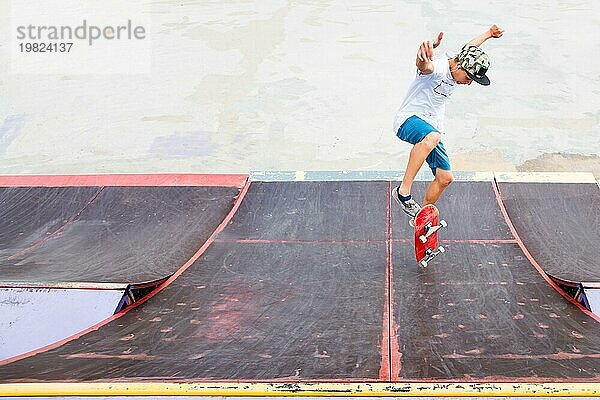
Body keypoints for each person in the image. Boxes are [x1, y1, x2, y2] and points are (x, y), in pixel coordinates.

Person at [392, 25, 504, 218]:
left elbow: (470, 46)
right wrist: (422, 58)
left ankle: (422, 217)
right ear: (459, 66)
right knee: (432, 136)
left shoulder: (461, 59)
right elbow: (425, 67)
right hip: (408, 121)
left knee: (445, 178)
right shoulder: (440, 68)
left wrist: (489, 34)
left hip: (430, 131)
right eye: (469, 78)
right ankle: (403, 193)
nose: (468, 83)